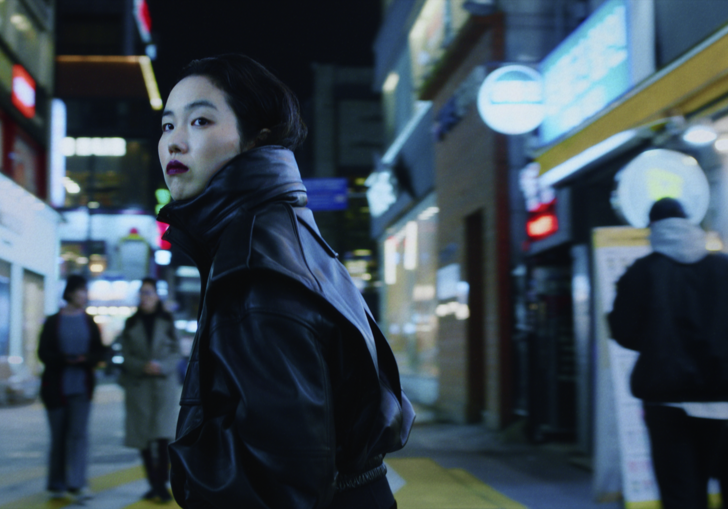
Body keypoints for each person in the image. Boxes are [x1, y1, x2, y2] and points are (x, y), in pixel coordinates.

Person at [156, 53, 415, 509]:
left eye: (199, 122)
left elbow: (277, 486)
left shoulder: (253, 269)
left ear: (259, 138)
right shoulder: (287, 234)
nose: (174, 143)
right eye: (167, 126)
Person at [608, 197, 728, 509]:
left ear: (654, 230)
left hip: (667, 398)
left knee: (680, 492)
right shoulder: (723, 267)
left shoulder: (641, 272)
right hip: (722, 395)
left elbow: (623, 331)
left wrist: (658, 342)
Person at [38, 274, 106, 503]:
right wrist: (64, 359)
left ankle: (77, 484)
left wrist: (84, 359)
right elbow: (43, 353)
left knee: (78, 436)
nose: (84, 295)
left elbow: (100, 351)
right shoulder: (53, 321)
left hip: (81, 388)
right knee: (58, 437)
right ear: (70, 293)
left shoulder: (89, 322)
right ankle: (56, 484)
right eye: (81, 290)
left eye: (85, 291)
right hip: (55, 387)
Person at [119, 277, 181, 503]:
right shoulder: (131, 323)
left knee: (163, 438)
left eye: (149, 293)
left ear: (156, 296)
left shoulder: (167, 320)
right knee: (143, 439)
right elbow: (125, 355)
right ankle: (154, 484)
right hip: (139, 385)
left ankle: (161, 484)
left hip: (163, 385)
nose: (144, 298)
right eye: (142, 293)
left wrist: (161, 366)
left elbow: (177, 352)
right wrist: (141, 365)